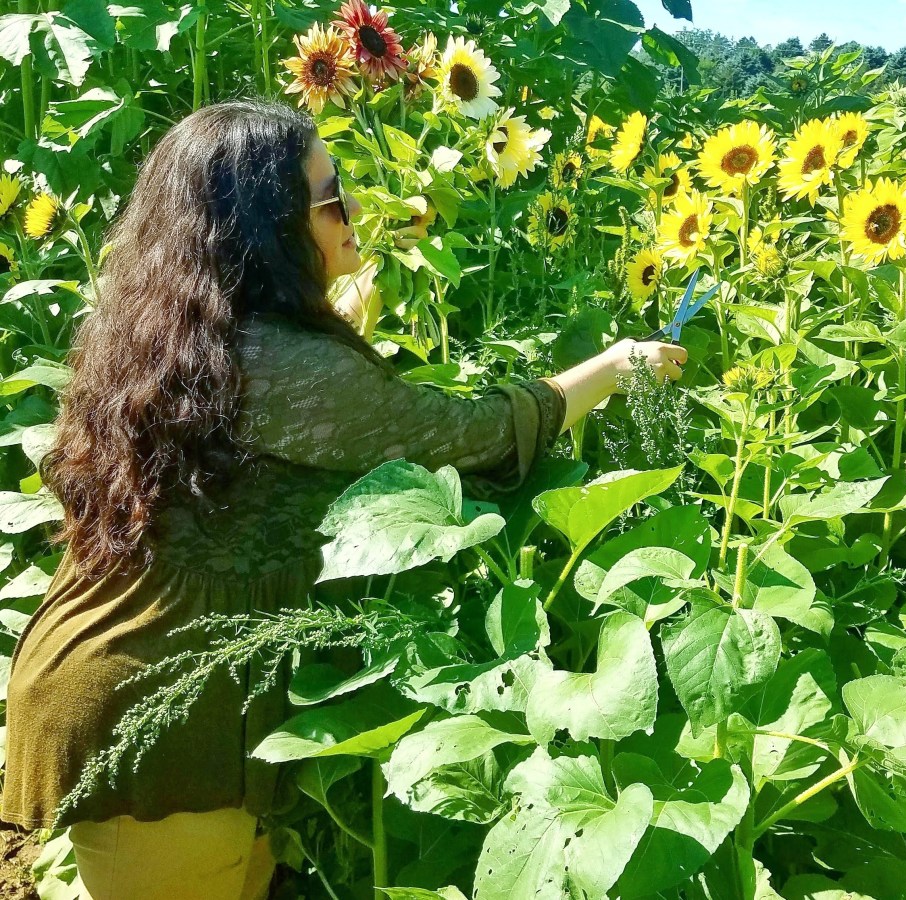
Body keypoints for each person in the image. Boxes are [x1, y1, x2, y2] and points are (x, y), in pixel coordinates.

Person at [0, 99, 686, 900]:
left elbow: (284, 413)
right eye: (329, 201)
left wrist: (342, 301)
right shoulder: (289, 371)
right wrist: (614, 365)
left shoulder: (178, 337)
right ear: (266, 231)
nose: (353, 209)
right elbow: (471, 436)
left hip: (130, 669)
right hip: (157, 727)